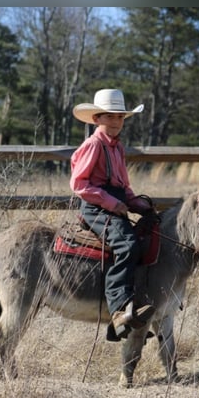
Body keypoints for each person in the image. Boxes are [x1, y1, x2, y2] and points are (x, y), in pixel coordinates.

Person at [70, 88, 155, 340]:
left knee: (145, 237)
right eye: (110, 117)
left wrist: (139, 205)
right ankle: (118, 311)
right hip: (95, 207)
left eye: (119, 117)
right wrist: (110, 202)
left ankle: (133, 306)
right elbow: (79, 185)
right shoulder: (94, 145)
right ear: (97, 119)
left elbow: (123, 187)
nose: (116, 122)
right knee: (127, 244)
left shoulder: (118, 148)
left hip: (113, 204)